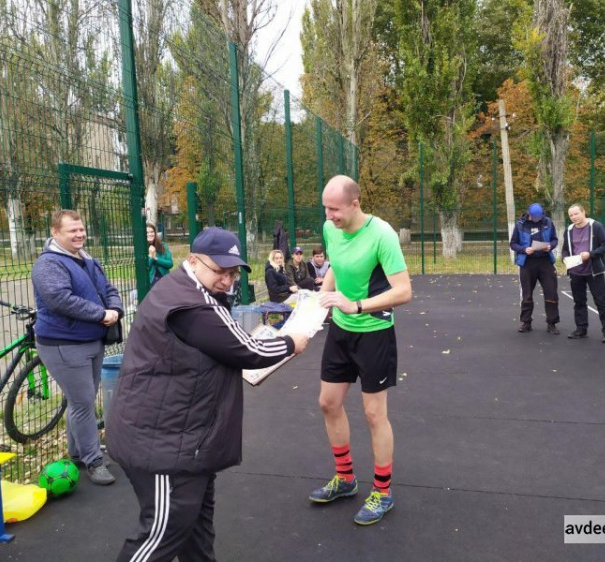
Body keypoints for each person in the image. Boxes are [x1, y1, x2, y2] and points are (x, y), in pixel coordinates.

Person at [107, 227, 309, 562]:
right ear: (194, 261)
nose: (228, 281)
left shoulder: (182, 287)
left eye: (232, 272)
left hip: (184, 437)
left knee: (195, 529)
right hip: (162, 444)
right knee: (163, 532)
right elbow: (249, 349)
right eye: (220, 271)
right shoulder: (191, 304)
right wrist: (292, 342)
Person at [309, 175, 412, 526]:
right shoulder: (330, 228)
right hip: (340, 330)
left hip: (374, 332)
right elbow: (337, 264)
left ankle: (382, 492)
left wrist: (355, 305)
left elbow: (403, 291)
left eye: (335, 208)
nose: (329, 215)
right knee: (328, 403)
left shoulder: (382, 234)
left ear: (355, 204)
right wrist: (322, 298)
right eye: (326, 208)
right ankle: (346, 479)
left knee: (373, 414)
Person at [31, 209, 123, 486]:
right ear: (55, 233)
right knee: (83, 403)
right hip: (63, 343)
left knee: (80, 400)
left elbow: (108, 288)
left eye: (81, 229)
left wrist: (115, 307)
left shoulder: (86, 259)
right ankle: (94, 461)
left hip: (91, 340)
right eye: (72, 230)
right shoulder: (48, 264)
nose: (79, 234)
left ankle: (78, 453)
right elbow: (60, 299)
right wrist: (100, 314)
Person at [561, 204, 605, 343]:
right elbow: (565, 249)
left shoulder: (596, 226)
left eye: (576, 214)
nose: (574, 217)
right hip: (575, 271)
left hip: (593, 270)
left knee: (601, 301)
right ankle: (581, 329)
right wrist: (564, 257)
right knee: (579, 302)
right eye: (571, 215)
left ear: (583, 212)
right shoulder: (568, 230)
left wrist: (590, 254)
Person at [509, 203, 560, 334]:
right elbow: (513, 243)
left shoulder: (548, 222)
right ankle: (526, 322)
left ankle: (552, 323)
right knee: (526, 294)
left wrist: (550, 246)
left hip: (545, 262)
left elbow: (554, 239)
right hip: (527, 263)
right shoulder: (520, 224)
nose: (537, 219)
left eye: (539, 217)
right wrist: (524, 249)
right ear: (529, 214)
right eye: (534, 217)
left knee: (551, 292)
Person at [147, 223, 173, 287]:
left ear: (155, 233)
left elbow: (170, 264)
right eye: (147, 232)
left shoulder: (163, 245)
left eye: (152, 232)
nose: (150, 234)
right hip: (150, 282)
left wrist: (156, 259)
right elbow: (145, 268)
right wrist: (150, 256)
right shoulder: (141, 249)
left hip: (164, 279)